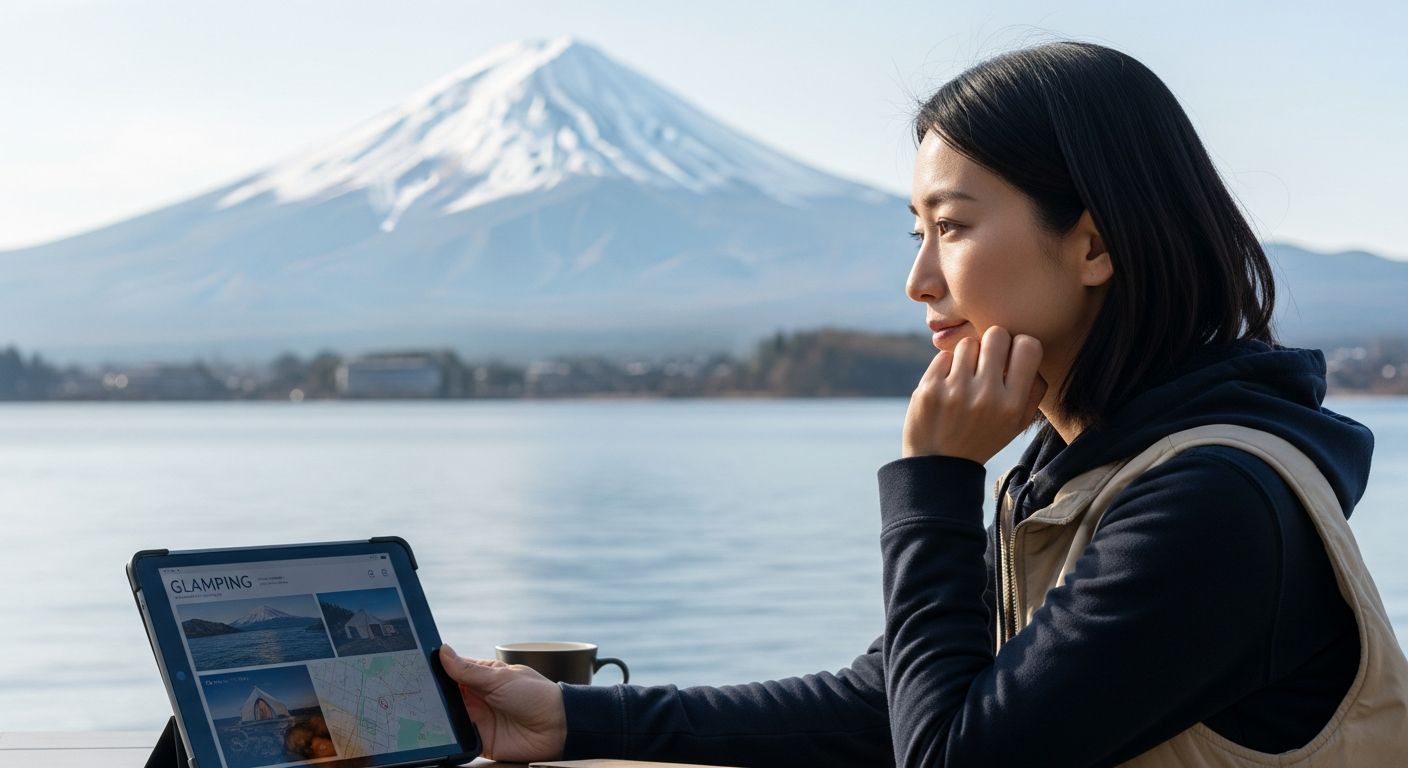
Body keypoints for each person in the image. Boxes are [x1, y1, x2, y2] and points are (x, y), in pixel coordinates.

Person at [438, 42, 1408, 766]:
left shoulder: (1213, 504)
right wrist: (573, 719)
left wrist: (934, 483)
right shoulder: (1082, 472)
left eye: (951, 228)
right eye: (916, 231)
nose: (917, 282)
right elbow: (887, 699)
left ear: (1093, 245)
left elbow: (950, 759)